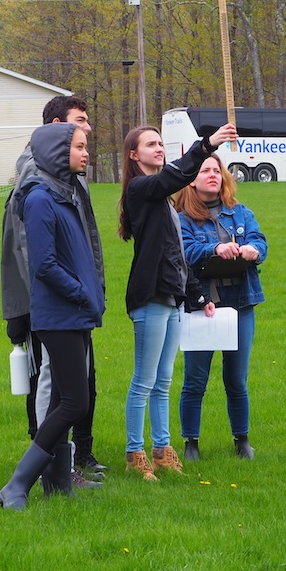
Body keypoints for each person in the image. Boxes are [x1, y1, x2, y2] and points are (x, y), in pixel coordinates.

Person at [118, 122, 236, 480]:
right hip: (149, 295)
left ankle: (162, 449)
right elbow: (170, 178)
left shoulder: (164, 199)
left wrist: (197, 295)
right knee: (144, 379)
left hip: (171, 295)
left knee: (163, 380)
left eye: (160, 143)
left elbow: (176, 254)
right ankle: (134, 452)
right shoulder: (141, 189)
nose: (158, 148)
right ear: (134, 155)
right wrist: (207, 145)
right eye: (150, 144)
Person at [0, 95, 108, 485]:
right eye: (79, 144)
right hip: (57, 312)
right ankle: (22, 482)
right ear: (57, 145)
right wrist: (81, 291)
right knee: (66, 399)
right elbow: (41, 263)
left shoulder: (66, 190)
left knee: (69, 399)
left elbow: (79, 251)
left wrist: (92, 292)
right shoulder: (41, 195)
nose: (86, 150)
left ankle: (59, 483)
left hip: (75, 310)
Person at [174, 154, 267, 461]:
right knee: (195, 379)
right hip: (203, 305)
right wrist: (214, 247)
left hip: (241, 304)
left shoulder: (240, 212)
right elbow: (184, 250)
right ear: (192, 179)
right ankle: (191, 444)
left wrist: (255, 249)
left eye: (217, 170)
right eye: (205, 170)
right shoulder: (182, 218)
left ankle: (242, 441)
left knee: (236, 379)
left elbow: (259, 239)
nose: (212, 174)